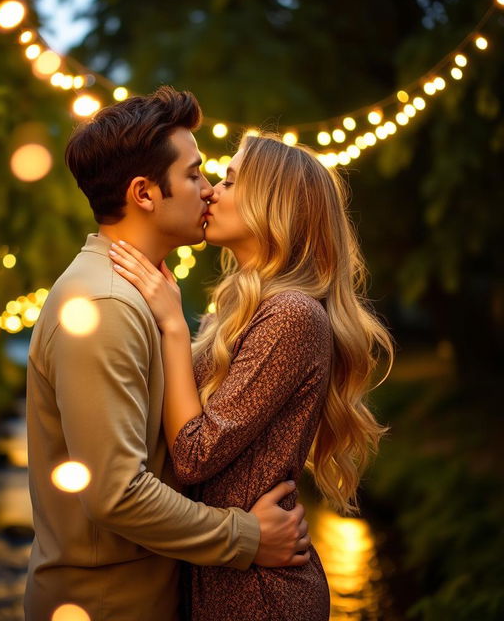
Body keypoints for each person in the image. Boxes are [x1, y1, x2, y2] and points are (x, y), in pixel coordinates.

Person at [24, 88, 312, 621]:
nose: (208, 191)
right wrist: (247, 537)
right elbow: (115, 494)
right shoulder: (104, 303)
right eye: (196, 175)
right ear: (145, 193)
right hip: (107, 605)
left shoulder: (139, 295)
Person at [109, 133, 394, 620]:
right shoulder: (245, 311)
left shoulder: (291, 316)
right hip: (228, 575)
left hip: (261, 595)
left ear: (272, 205)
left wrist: (173, 326)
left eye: (229, 179)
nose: (211, 191)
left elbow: (195, 456)